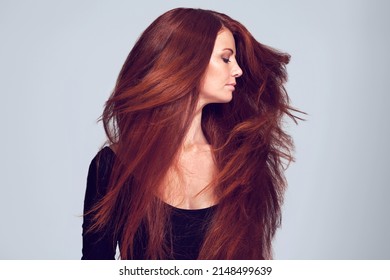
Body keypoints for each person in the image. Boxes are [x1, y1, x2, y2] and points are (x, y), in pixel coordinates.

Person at [82, 7, 300, 260]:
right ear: (185, 61)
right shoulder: (112, 165)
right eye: (226, 58)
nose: (238, 70)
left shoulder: (240, 162)